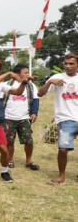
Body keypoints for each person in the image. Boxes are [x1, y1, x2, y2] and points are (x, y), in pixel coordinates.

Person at [38, 52, 78, 185]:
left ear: (77, 64)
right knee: (63, 149)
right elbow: (40, 93)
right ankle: (61, 176)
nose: (68, 66)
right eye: (66, 63)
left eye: (71, 63)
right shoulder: (57, 77)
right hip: (66, 119)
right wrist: (49, 82)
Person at [1, 64, 40, 171]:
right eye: (25, 72)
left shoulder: (31, 86)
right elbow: (0, 100)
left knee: (29, 141)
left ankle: (29, 161)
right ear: (18, 74)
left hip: (24, 117)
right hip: (8, 117)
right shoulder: (7, 84)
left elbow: (36, 100)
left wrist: (34, 113)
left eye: (28, 72)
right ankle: (10, 160)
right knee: (9, 141)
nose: (28, 74)